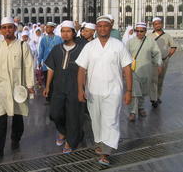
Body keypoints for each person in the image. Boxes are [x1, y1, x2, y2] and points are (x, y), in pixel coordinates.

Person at [76, 15, 133, 166]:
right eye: (99, 26)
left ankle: (106, 153)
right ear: (96, 28)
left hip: (113, 91)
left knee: (111, 120)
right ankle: (100, 143)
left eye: (105, 26)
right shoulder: (90, 46)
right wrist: (80, 89)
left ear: (110, 27)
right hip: (93, 91)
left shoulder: (118, 45)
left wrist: (129, 91)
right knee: (96, 120)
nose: (102, 28)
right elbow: (81, 69)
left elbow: (127, 68)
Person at [0, 17, 35, 157]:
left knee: (17, 117)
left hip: (18, 88)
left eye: (10, 27)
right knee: (0, 118)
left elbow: (28, 66)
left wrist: (30, 85)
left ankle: (15, 139)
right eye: (4, 27)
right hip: (0, 88)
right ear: (1, 30)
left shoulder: (22, 46)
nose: (7, 30)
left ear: (14, 29)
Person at [43, 20, 84, 154]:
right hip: (58, 87)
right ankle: (62, 130)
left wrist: (83, 89)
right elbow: (51, 69)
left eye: (68, 31)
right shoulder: (56, 49)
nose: (65, 34)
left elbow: (85, 70)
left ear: (73, 33)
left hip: (74, 87)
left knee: (73, 115)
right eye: (63, 31)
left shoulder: (81, 49)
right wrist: (47, 86)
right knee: (54, 113)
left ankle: (70, 141)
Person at [126, 22, 162, 121]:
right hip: (134, 71)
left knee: (142, 91)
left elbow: (157, 53)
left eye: (141, 31)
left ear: (145, 31)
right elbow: (125, 56)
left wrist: (159, 63)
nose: (139, 33)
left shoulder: (151, 41)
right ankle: (133, 112)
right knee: (134, 92)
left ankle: (141, 107)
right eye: (137, 31)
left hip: (147, 70)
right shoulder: (130, 42)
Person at [148, 17, 177, 107]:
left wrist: (168, 56)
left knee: (160, 79)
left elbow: (173, 47)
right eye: (155, 24)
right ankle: (153, 99)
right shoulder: (149, 36)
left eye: (159, 23)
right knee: (153, 80)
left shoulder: (167, 36)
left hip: (164, 61)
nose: (157, 25)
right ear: (153, 25)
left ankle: (158, 96)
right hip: (153, 62)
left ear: (161, 24)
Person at [38, 22, 63, 102]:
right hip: (46, 63)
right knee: (47, 80)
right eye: (46, 27)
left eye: (49, 27)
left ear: (53, 28)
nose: (47, 29)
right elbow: (41, 51)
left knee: (55, 81)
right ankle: (48, 96)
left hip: (56, 63)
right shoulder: (43, 39)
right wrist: (39, 61)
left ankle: (55, 97)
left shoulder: (58, 39)